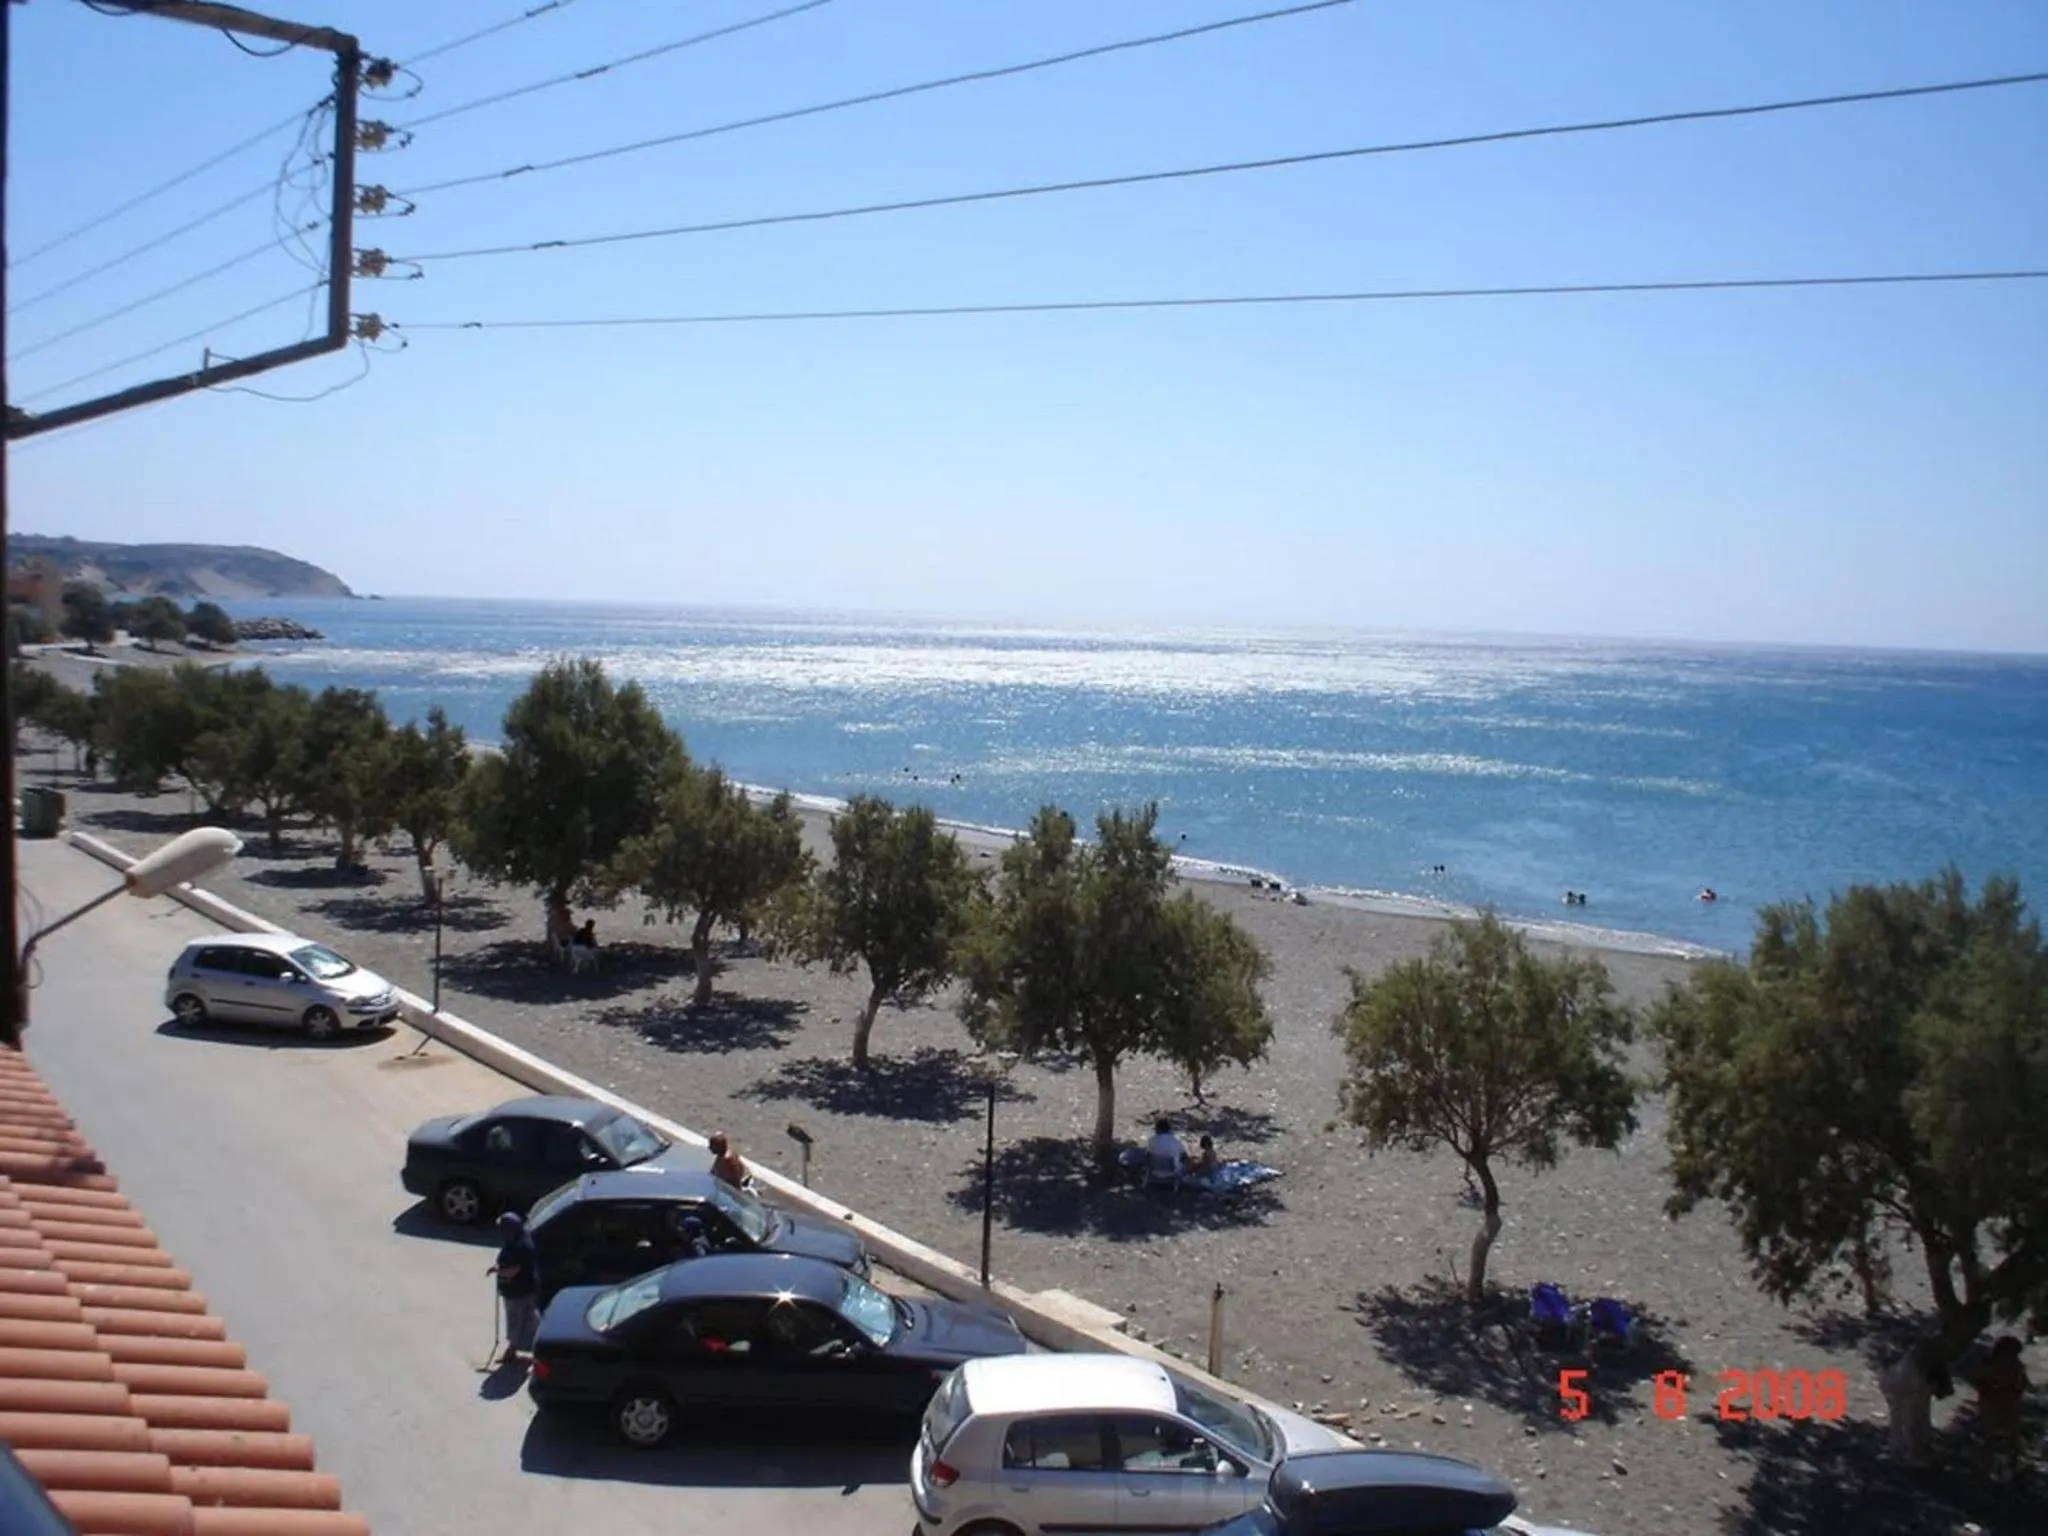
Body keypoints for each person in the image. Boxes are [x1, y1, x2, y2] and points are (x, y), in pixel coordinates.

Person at [1882, 1336, 1954, 1468]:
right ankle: (1912, 1453)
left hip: (1901, 1377)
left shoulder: (1918, 1363)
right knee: (1913, 1418)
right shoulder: (1920, 1379)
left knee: (1902, 1416)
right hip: (1909, 1380)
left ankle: (1902, 1450)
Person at [1972, 1335, 2028, 1480]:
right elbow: (1979, 1382)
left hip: (2009, 1403)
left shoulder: (2016, 1366)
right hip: (1993, 1404)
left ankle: (2012, 1466)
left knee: (2011, 1436)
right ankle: (1985, 1468)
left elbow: (2022, 1384)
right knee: (1989, 1436)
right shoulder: (1989, 1365)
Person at [488, 1212, 541, 1364]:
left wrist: (497, 1271)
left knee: (519, 1321)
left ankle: (520, 1352)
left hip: (519, 1292)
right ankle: (516, 1351)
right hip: (521, 1290)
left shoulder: (520, 1247)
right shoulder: (517, 1240)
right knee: (526, 1320)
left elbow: (513, 1270)